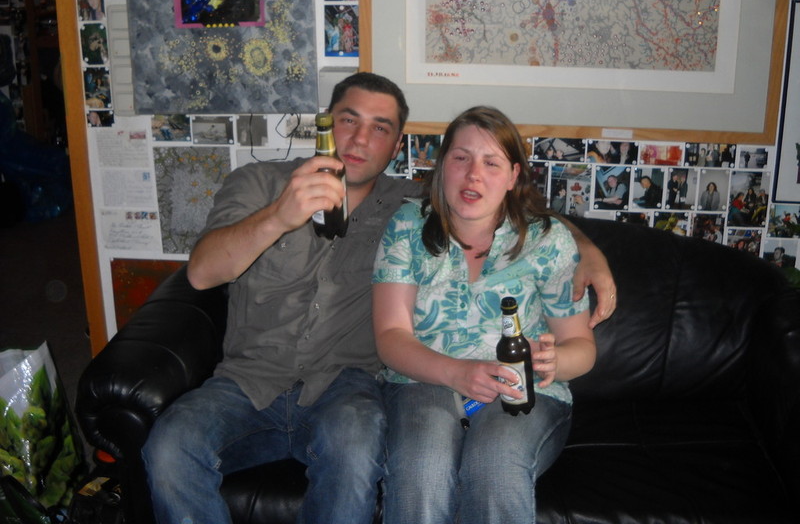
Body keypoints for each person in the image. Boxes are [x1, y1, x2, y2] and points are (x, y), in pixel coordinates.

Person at [141, 73, 616, 524]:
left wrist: (589, 249)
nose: (360, 139)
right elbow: (201, 273)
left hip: (341, 385)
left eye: (380, 128)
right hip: (250, 380)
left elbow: (500, 205)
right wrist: (279, 216)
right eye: (348, 120)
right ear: (326, 123)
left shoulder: (410, 204)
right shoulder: (261, 183)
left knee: (357, 448)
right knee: (167, 448)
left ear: (396, 144)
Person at [373, 106, 596, 524]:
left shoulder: (548, 240)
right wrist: (457, 372)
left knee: (494, 467)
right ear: (443, 166)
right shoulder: (407, 226)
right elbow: (390, 337)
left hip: (522, 392)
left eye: (491, 163)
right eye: (461, 158)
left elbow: (582, 347)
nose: (473, 174)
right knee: (421, 469)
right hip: (423, 382)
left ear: (513, 176)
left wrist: (555, 361)